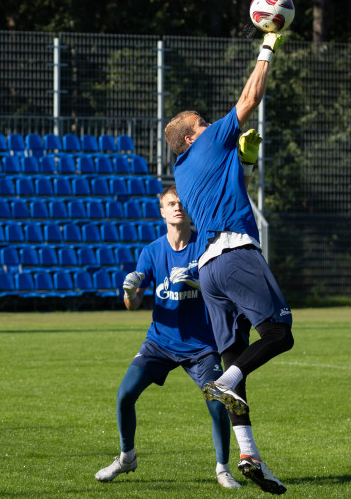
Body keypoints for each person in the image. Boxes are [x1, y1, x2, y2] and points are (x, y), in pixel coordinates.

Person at [165, 32, 294, 495]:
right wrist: (269, 43)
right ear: (190, 134)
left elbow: (219, 177)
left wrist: (241, 157)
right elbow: (250, 96)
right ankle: (225, 381)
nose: (211, 122)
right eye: (202, 122)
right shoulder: (207, 139)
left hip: (209, 269)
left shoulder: (182, 168)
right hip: (236, 252)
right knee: (279, 334)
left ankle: (249, 453)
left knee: (234, 354)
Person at [94, 185, 241, 489]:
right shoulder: (151, 251)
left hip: (202, 346)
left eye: (181, 203)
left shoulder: (206, 246)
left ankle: (223, 468)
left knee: (217, 402)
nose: (177, 207)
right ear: (161, 211)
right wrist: (129, 291)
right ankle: (126, 457)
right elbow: (132, 305)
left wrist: (198, 283)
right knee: (124, 395)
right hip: (159, 342)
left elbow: (226, 291)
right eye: (171, 204)